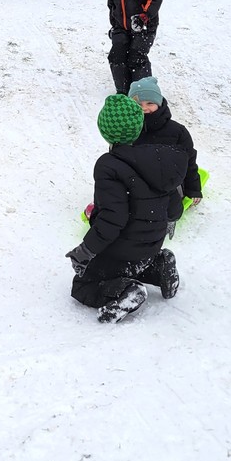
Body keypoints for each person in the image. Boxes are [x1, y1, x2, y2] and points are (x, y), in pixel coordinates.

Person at [66, 95, 188, 324]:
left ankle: (128, 292)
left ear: (106, 131)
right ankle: (159, 265)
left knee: (84, 283)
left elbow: (114, 218)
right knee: (131, 263)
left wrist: (86, 251)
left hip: (122, 248)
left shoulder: (109, 166)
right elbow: (174, 207)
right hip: (151, 246)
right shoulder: (158, 160)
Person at [129, 76, 202, 228]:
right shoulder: (129, 130)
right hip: (140, 180)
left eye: (150, 103)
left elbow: (189, 162)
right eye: (138, 103)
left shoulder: (177, 132)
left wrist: (193, 189)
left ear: (159, 103)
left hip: (169, 181)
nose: (144, 108)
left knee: (165, 197)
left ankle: (168, 218)